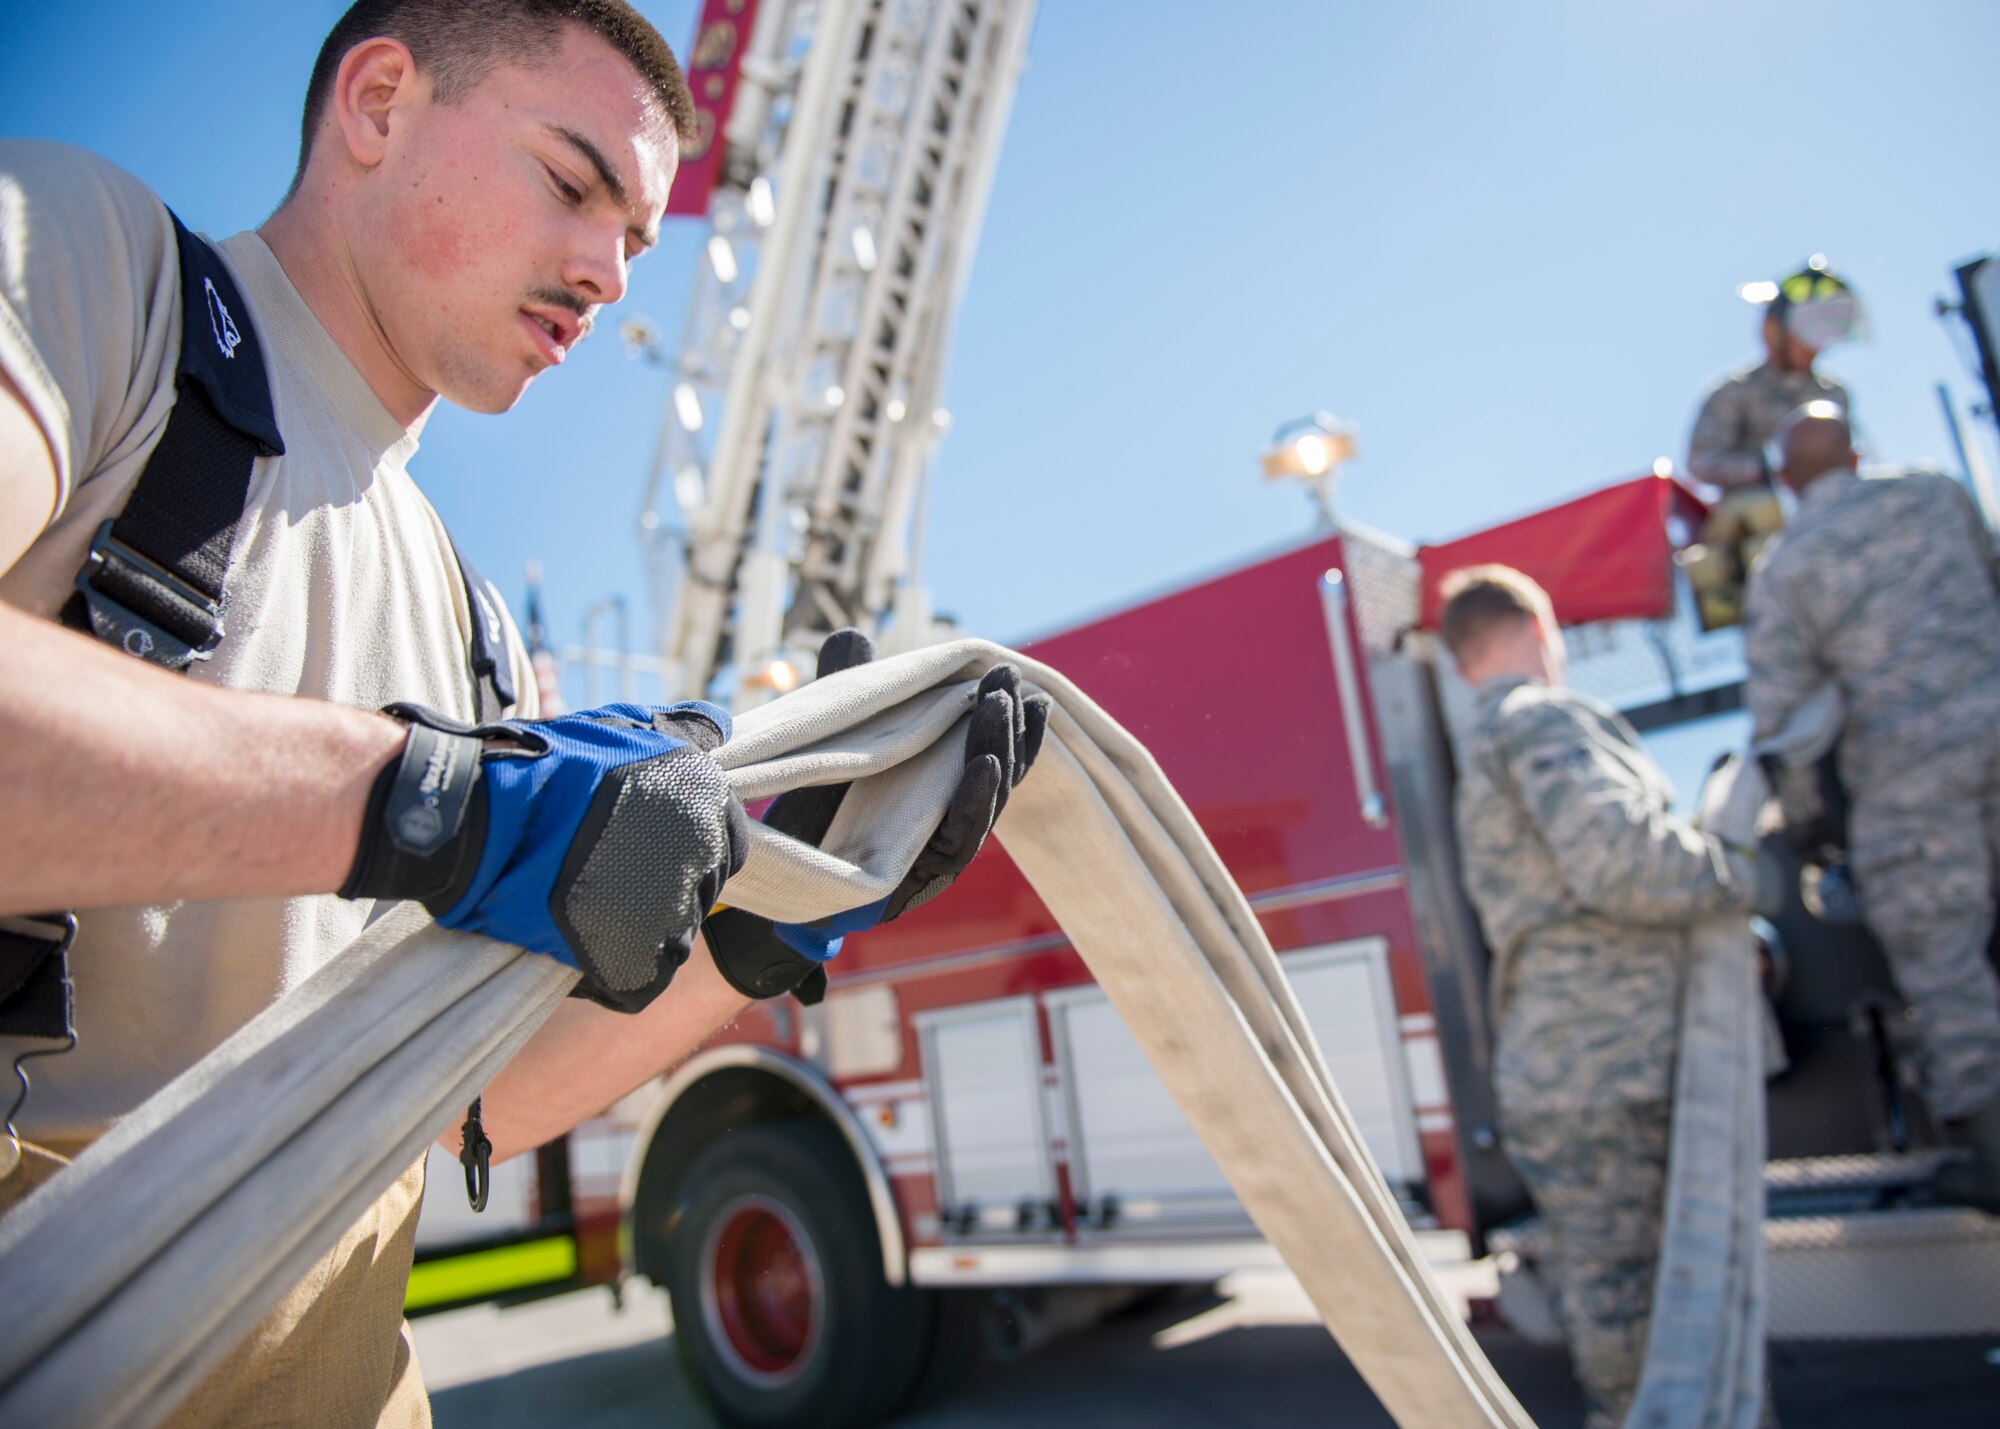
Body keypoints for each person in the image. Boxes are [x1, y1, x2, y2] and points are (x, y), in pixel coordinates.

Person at [0, 3, 1037, 1423]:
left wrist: (768, 919)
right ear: (377, 103)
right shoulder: (97, 273)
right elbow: (432, 815)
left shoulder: (474, 627)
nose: (609, 275)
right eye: (571, 183)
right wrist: (441, 805)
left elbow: (471, 1103)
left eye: (637, 242)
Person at [1442, 564, 1764, 1429]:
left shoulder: (1481, 742)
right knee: (1669, 1322)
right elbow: (1621, 862)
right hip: (1614, 1057)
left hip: (1564, 1063)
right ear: (1539, 629)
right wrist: (1740, 872)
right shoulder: (1541, 715)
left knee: (1620, 1313)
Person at [1742, 403, 2000, 1208]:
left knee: (1947, 963)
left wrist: (1809, 828)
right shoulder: (1934, 493)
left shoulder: (1789, 565)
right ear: (1855, 452)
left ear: (1786, 480)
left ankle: (1993, 1150)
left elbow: (1783, 724)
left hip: (1911, 791)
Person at [1683, 258, 1862, 629]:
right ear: (1774, 331)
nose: (1816, 344)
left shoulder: (1833, 395)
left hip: (1822, 507)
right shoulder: (1736, 392)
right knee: (1765, 511)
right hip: (1750, 516)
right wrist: (1765, 470)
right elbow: (1702, 461)